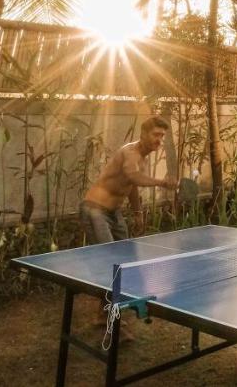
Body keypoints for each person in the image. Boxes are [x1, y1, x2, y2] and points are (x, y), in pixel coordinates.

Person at [81, 115, 178, 335]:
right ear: (143, 134)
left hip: (113, 213)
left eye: (162, 136)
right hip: (95, 210)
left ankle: (102, 314)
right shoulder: (130, 152)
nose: (159, 140)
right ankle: (112, 323)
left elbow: (131, 185)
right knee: (111, 264)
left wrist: (138, 213)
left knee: (124, 262)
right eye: (156, 134)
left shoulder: (142, 157)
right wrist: (162, 182)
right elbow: (133, 176)